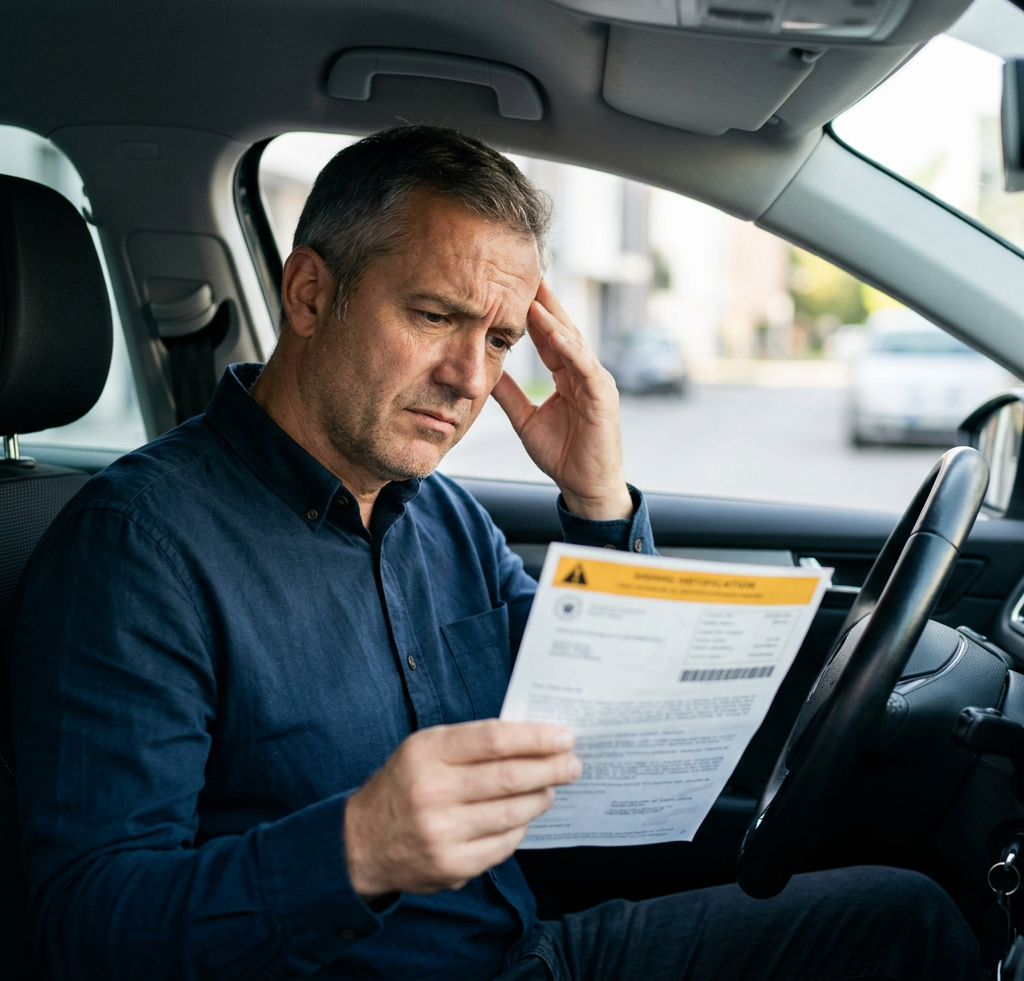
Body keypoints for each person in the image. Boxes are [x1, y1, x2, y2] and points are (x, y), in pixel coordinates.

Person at [8, 125, 981, 980]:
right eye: (433, 315)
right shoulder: (137, 547)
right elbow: (86, 931)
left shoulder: (443, 518)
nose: (469, 376)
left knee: (906, 917)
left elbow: (601, 735)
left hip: (525, 946)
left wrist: (596, 501)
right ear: (309, 293)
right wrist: (355, 849)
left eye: (501, 338)